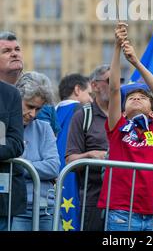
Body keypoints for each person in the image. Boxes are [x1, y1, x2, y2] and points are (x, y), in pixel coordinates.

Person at [97, 23, 153, 231]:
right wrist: (118, 47)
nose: (136, 98)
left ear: (152, 112)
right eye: (132, 98)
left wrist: (135, 61)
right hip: (120, 212)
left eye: (142, 98)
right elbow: (114, 90)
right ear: (124, 111)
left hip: (152, 213)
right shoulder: (118, 127)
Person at [11, 71, 60, 231]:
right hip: (15, 209)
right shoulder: (4, 127)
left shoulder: (44, 127)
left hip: (46, 208)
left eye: (38, 109)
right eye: (30, 106)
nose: (33, 114)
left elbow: (53, 167)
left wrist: (20, 165)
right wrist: (35, 168)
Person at [65, 65, 110, 231]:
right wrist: (91, 155)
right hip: (94, 201)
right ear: (94, 85)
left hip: (126, 202)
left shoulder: (126, 115)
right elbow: (70, 160)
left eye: (119, 80)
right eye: (109, 80)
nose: (115, 85)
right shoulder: (83, 116)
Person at [56, 73, 93, 231]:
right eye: (89, 94)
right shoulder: (81, 111)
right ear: (77, 89)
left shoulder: (52, 111)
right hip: (71, 177)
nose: (92, 99)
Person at [0, 31, 26, 231]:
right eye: (6, 51)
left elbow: (16, 143)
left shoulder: (11, 94)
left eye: (17, 49)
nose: (14, 53)